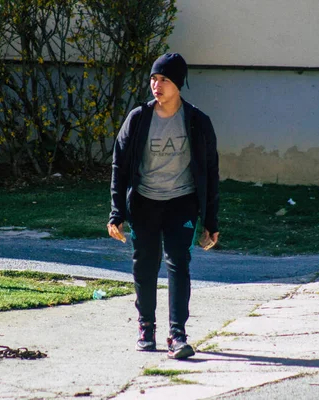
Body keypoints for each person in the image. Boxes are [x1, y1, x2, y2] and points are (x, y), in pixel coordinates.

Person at [107, 53, 220, 360]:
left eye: (164, 80)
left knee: (178, 263)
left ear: (178, 84)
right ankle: (146, 327)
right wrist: (117, 212)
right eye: (153, 79)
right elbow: (119, 164)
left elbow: (210, 172)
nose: (156, 85)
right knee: (144, 264)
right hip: (144, 201)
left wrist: (211, 221)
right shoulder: (139, 118)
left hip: (181, 203)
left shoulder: (197, 122)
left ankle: (177, 334)